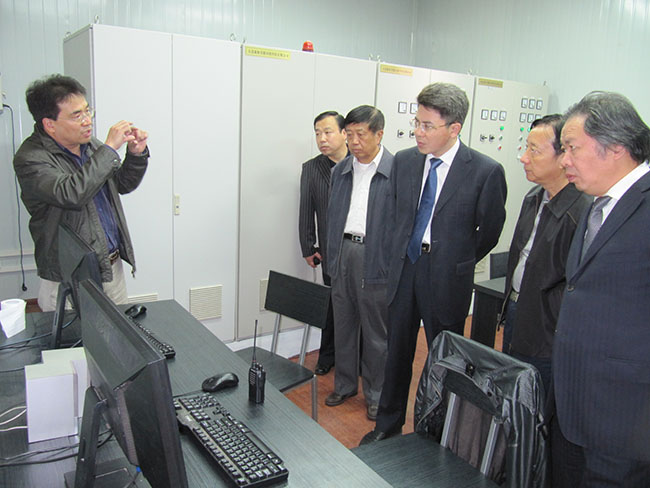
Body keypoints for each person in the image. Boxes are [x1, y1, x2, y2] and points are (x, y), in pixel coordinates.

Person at [361, 82, 507, 444]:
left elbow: (489, 231)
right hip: (405, 268)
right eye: (417, 123)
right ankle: (387, 424)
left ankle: (433, 431)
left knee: (444, 357)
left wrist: (457, 258)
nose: (418, 132)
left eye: (428, 126)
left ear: (454, 128)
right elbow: (395, 215)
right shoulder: (407, 161)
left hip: (446, 277)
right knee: (397, 352)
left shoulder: (485, 171)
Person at [552, 91, 650, 487]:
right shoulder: (596, 202)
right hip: (576, 403)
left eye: (572, 148)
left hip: (626, 418)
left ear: (615, 147)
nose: (564, 161)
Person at [13, 74, 149, 311]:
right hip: (68, 275)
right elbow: (71, 193)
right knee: (71, 345)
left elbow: (121, 185)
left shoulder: (91, 146)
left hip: (110, 268)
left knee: (118, 342)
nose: (88, 121)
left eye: (88, 111)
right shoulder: (31, 158)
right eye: (77, 115)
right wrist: (108, 150)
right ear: (49, 124)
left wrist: (136, 155)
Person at [501, 114, 590, 393]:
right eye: (525, 148)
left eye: (534, 150)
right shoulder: (533, 197)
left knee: (537, 400)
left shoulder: (582, 212)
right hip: (518, 313)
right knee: (513, 397)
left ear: (563, 156)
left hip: (547, 331)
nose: (524, 157)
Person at [325, 105, 394, 421]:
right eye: (348, 134)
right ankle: (345, 384)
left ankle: (377, 394)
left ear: (379, 134)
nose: (353, 141)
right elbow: (331, 217)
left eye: (360, 134)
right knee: (344, 324)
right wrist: (331, 257)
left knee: (375, 333)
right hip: (344, 252)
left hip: (374, 257)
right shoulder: (340, 170)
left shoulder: (395, 172)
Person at [298, 111, 348, 375]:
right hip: (330, 252)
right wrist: (308, 247)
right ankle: (327, 356)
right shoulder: (312, 168)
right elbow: (307, 209)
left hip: (360, 253)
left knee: (359, 308)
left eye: (328, 132)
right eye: (317, 133)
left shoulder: (361, 163)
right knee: (331, 306)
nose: (322, 138)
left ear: (344, 133)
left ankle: (357, 359)